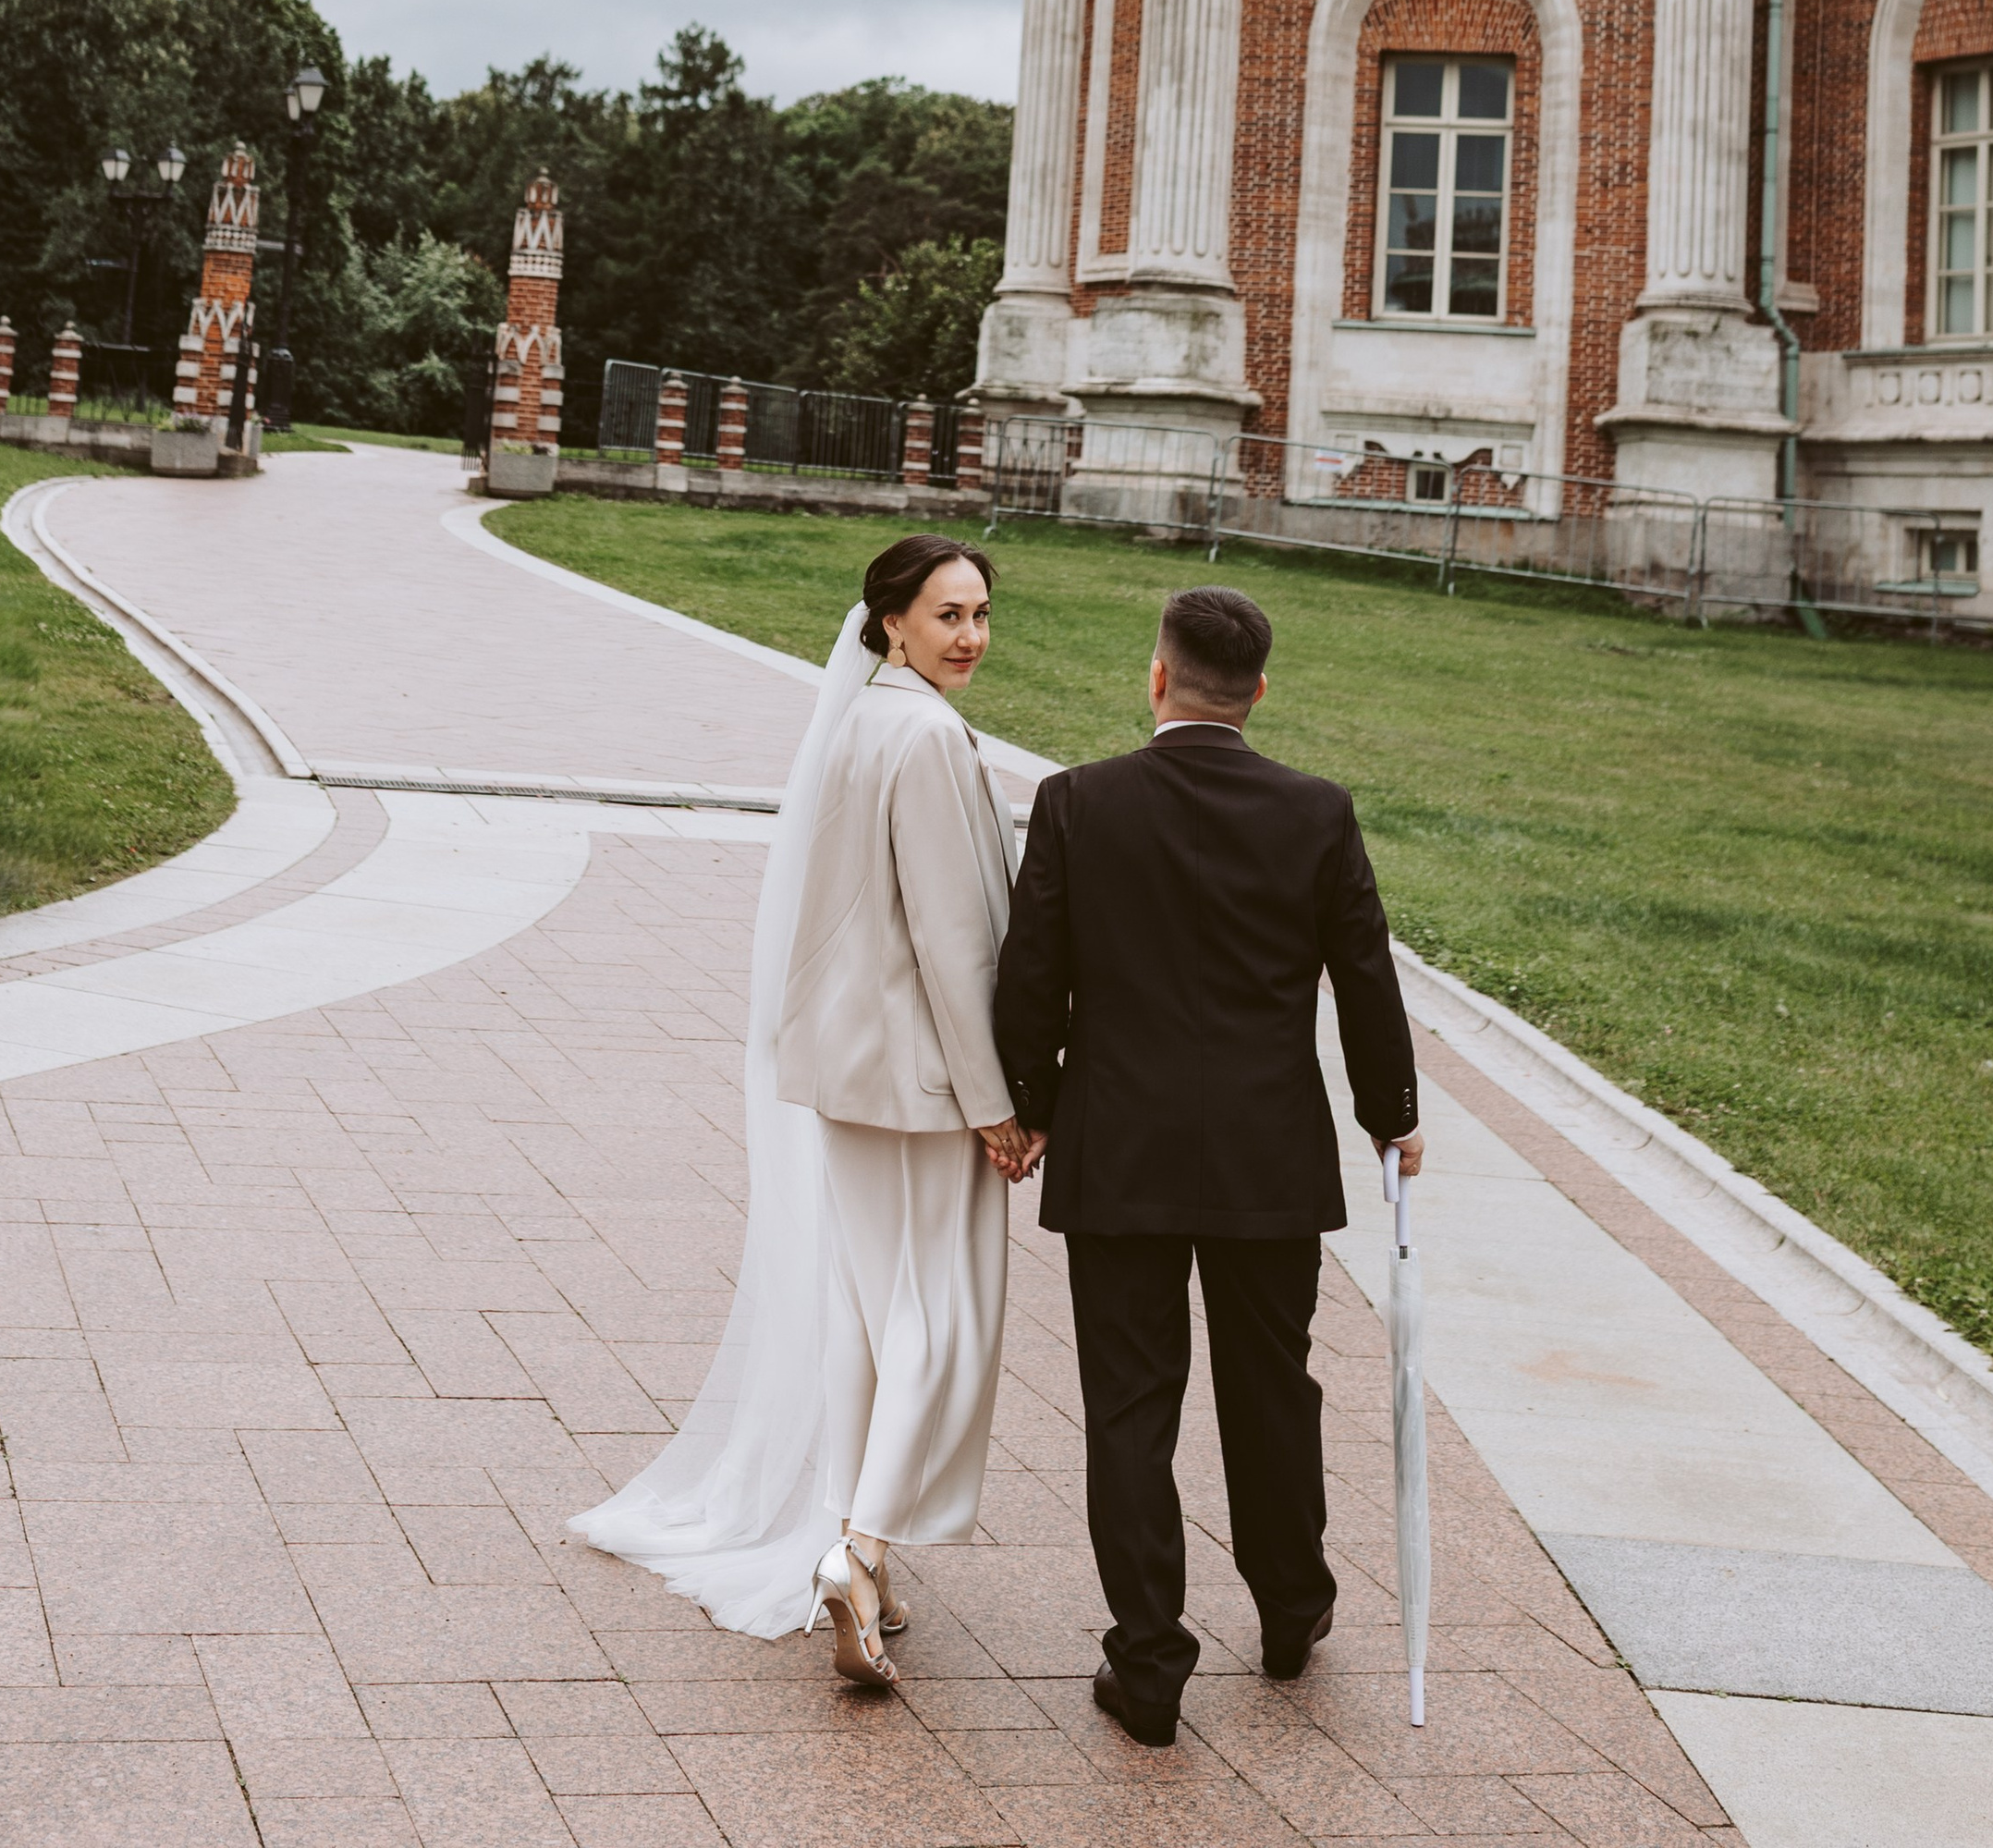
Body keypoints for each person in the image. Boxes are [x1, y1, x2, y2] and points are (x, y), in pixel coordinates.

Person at [568, 534, 1033, 1681]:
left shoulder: (861, 719)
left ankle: (849, 1533)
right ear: (889, 624)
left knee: (871, 1318)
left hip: (844, 1073)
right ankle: (860, 1552)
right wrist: (997, 1102)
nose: (968, 636)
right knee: (942, 1320)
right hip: (926, 1082)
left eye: (978, 614)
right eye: (945, 616)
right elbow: (953, 935)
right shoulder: (925, 736)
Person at [992, 582, 1422, 1747]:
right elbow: (1364, 977)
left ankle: (1147, 1663)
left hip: (1118, 1143)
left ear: (1156, 676)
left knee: (1131, 1405)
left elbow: (1030, 975)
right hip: (1267, 1154)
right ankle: (1292, 1608)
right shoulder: (1317, 811)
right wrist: (1390, 1117)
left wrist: (1028, 1106)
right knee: (1269, 1386)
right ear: (1259, 693)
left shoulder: (1078, 801)